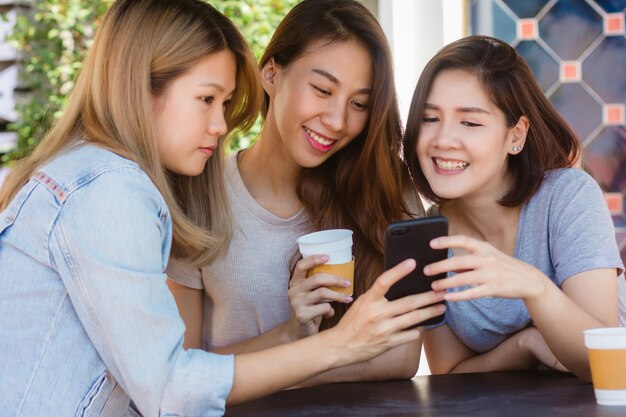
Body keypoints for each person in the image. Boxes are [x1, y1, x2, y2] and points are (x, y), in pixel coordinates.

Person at [0, 1, 447, 416]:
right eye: (207, 100)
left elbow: (400, 355)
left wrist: (297, 336)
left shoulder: (94, 178)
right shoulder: (113, 190)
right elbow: (172, 385)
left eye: (360, 104)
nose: (220, 125)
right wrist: (342, 345)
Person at [167, 0, 428, 386]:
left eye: (359, 104)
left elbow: (402, 355)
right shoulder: (199, 195)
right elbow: (182, 370)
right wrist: (294, 336)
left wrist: (278, 363)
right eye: (322, 89)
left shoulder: (385, 190)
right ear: (271, 74)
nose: (338, 121)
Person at [402, 35, 624, 382]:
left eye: (470, 123)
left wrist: (533, 287)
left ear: (516, 135)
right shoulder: (426, 240)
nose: (442, 139)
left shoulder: (567, 197)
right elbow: (449, 373)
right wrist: (525, 345)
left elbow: (607, 360)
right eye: (430, 118)